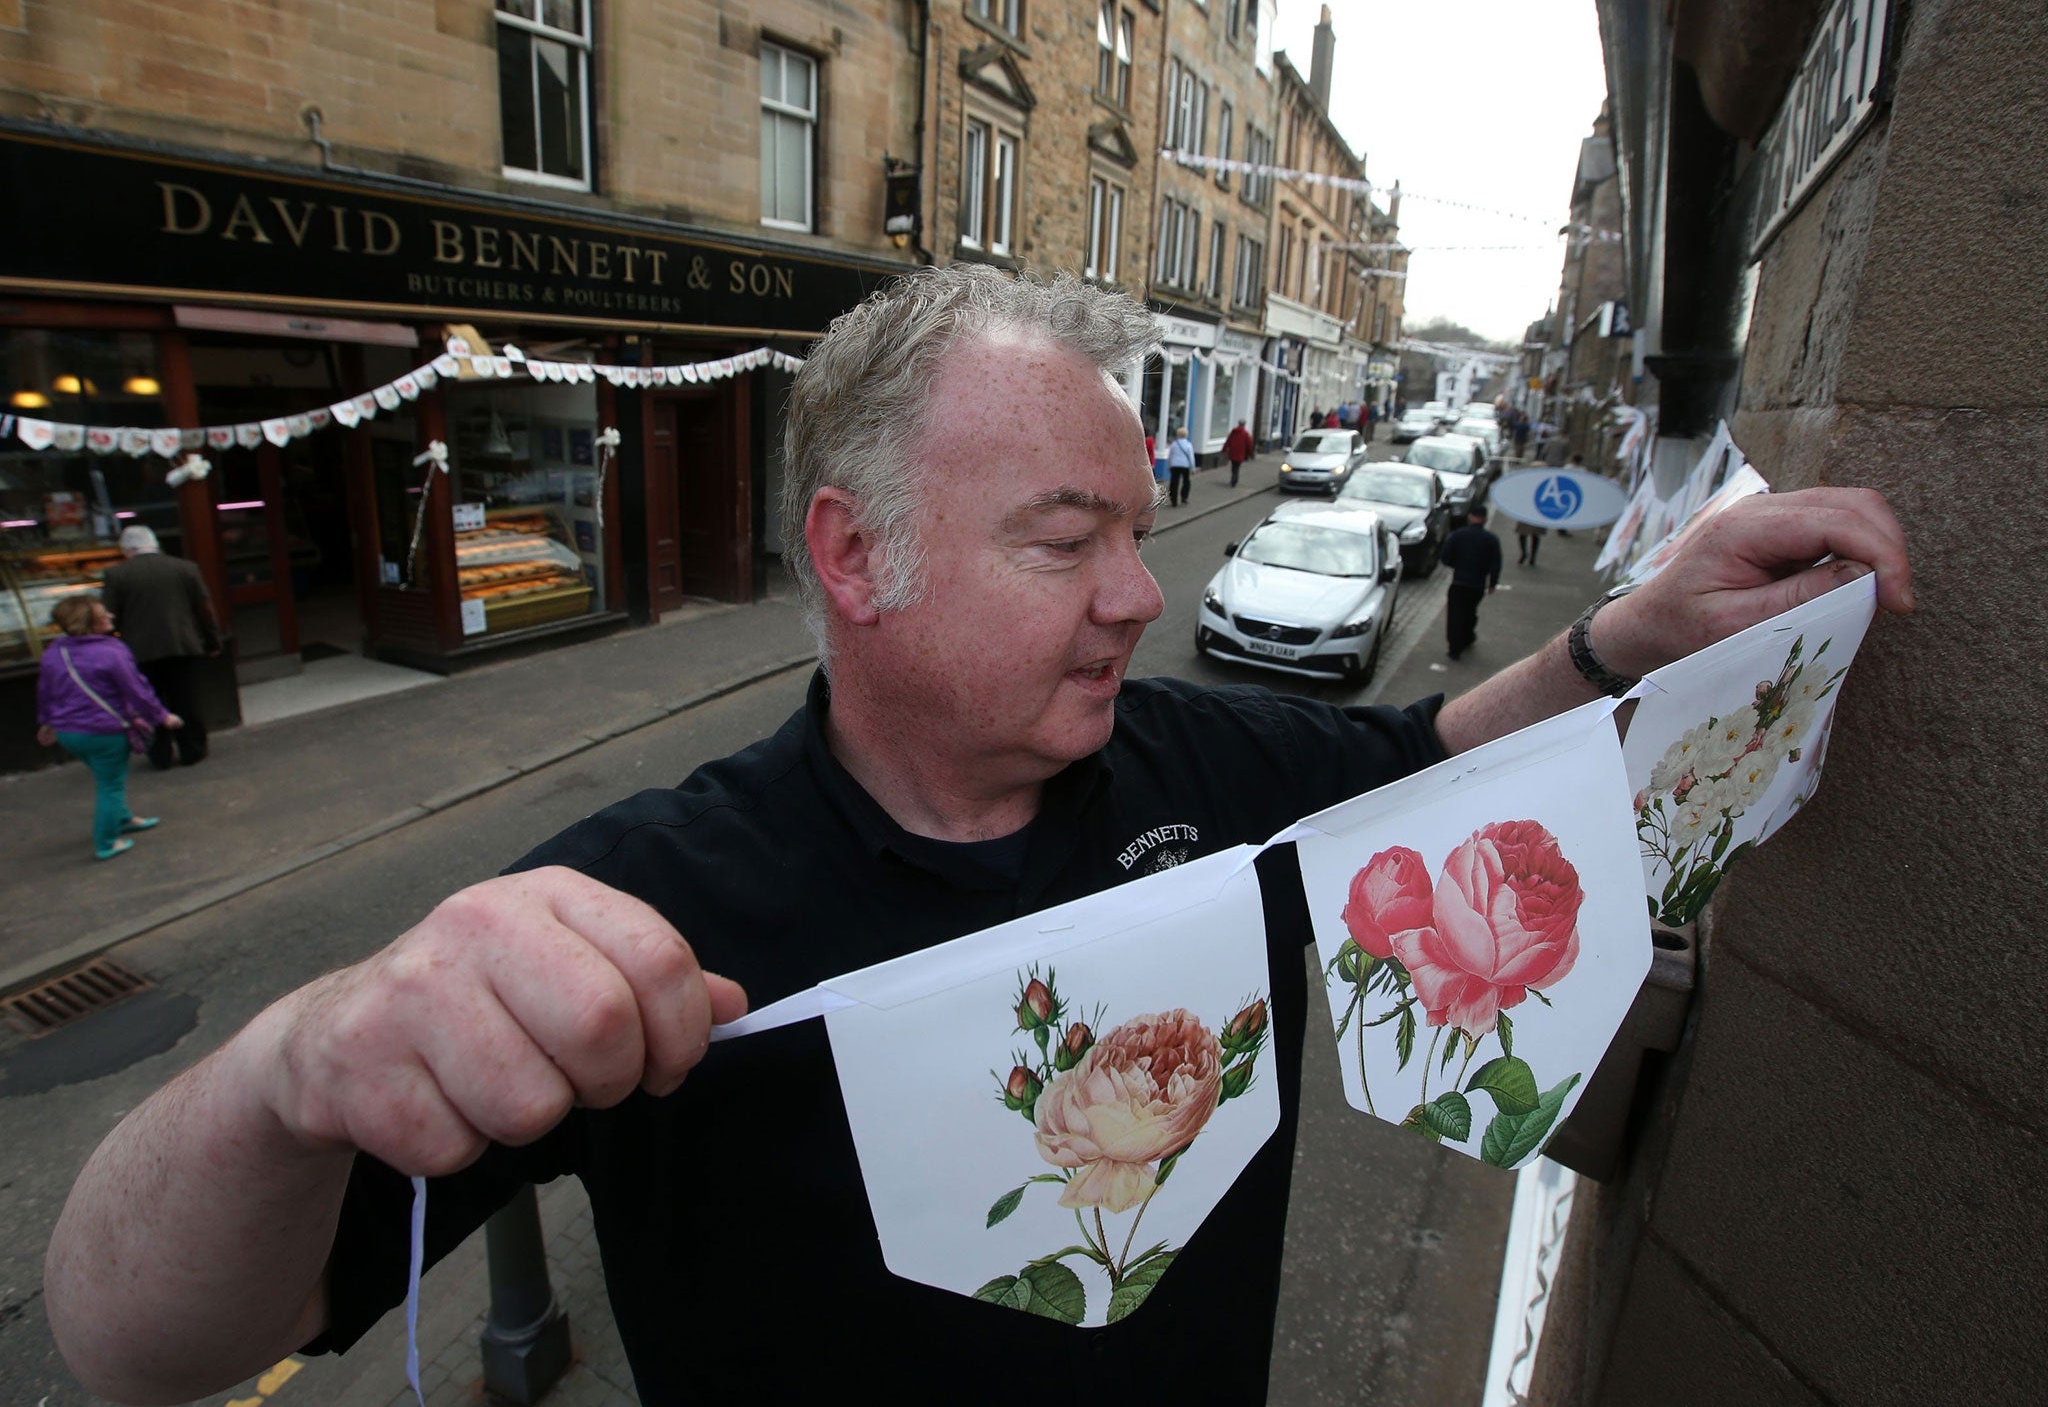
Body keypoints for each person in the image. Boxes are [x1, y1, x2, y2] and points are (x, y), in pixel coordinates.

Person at [43, 267, 1914, 1407]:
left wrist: (1621, 635)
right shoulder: (634, 908)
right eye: (1062, 538)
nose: (1131, 595)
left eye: (1131, 530)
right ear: (857, 558)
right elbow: (137, 1343)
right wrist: (290, 1068)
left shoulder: (1202, 764)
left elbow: (1433, 755)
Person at [34, 594, 179, 860]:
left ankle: (123, 819)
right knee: (110, 787)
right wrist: (161, 716)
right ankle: (107, 842)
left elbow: (46, 691)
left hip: (69, 732)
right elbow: (136, 689)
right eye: (104, 614)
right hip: (104, 731)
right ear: (91, 623)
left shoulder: (55, 652)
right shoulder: (111, 651)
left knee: (107, 780)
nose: (110, 616)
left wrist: (46, 721)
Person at [100, 524, 223, 768]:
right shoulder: (185, 568)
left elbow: (108, 615)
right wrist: (213, 640)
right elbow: (204, 609)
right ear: (154, 543)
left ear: (126, 549)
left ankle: (159, 754)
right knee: (186, 698)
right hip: (182, 644)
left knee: (148, 701)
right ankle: (193, 750)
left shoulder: (116, 574)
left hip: (139, 650)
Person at [1439, 506, 1504, 660]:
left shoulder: (1458, 535)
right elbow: (1496, 564)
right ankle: (1467, 636)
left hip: (1459, 581)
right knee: (1469, 612)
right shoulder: (1491, 540)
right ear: (1485, 519)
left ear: (1470, 517)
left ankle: (1455, 647)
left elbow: (1445, 557)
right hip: (1477, 584)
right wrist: (1493, 583)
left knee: (1455, 615)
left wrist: (1458, 565)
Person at [1167, 424, 1196, 506]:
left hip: (1175, 465)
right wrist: (1193, 468)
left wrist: (1169, 465)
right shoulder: (1188, 445)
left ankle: (1173, 500)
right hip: (1185, 465)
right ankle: (1184, 497)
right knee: (1186, 482)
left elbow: (1170, 455)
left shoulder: (1174, 444)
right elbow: (1191, 457)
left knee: (1174, 483)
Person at [1223, 418, 1254, 487]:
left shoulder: (1233, 432)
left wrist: (1224, 449)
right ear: (1244, 425)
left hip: (1232, 453)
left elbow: (1228, 441)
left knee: (1234, 466)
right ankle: (1234, 480)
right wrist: (1251, 454)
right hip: (1240, 454)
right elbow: (1249, 445)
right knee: (1237, 467)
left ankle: (1233, 479)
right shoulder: (1245, 434)